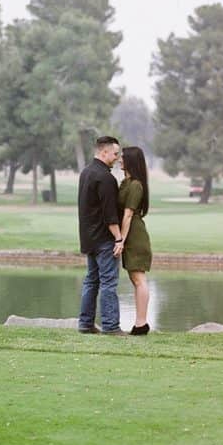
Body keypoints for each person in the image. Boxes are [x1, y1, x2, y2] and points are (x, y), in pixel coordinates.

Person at [77, 136, 127, 335]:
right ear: (104, 152)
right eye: (115, 154)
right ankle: (111, 326)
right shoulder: (106, 178)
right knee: (108, 282)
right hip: (105, 239)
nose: (117, 158)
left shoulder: (86, 172)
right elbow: (110, 214)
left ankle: (86, 323)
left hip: (89, 237)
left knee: (91, 280)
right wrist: (118, 238)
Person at [118, 146, 152, 335]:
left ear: (130, 160)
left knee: (139, 279)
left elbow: (128, 215)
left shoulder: (136, 185)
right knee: (135, 278)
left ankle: (141, 323)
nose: (120, 160)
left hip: (135, 236)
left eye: (123, 157)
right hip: (130, 234)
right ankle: (140, 323)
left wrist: (121, 240)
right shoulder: (126, 182)